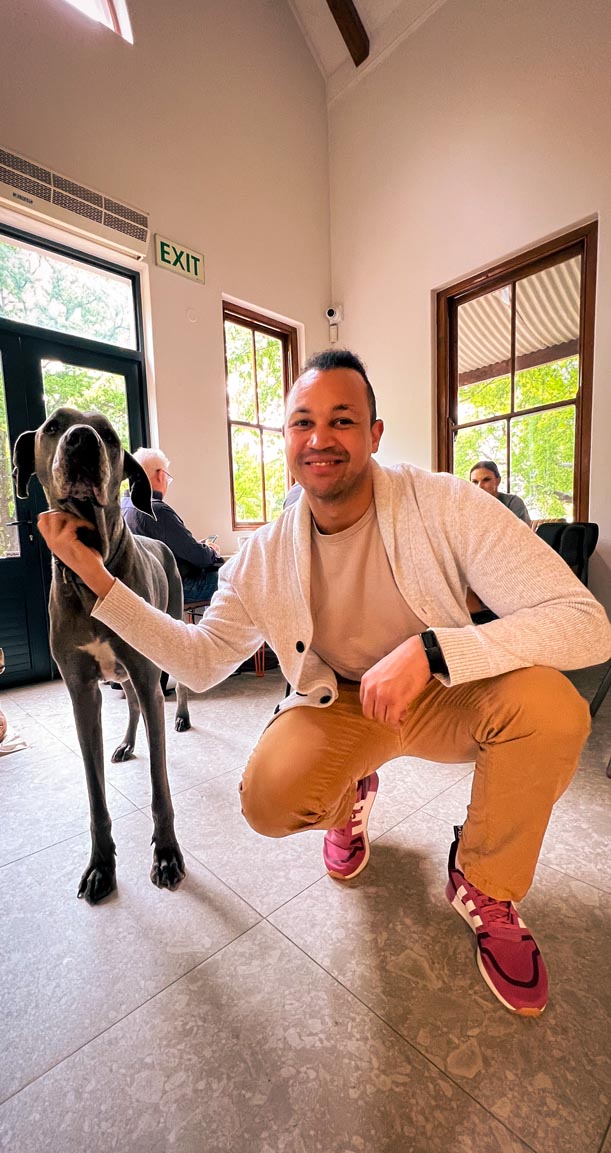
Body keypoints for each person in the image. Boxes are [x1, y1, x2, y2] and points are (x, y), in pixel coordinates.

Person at [38, 349, 611, 1018]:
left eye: (342, 420)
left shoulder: (446, 502)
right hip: (339, 700)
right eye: (302, 422)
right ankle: (352, 794)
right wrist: (99, 581)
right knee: (267, 798)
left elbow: (585, 625)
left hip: (446, 692)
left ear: (373, 434)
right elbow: (196, 662)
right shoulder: (264, 556)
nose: (320, 438)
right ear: (286, 442)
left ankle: (483, 881)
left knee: (551, 709)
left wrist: (432, 650)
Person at [122, 447, 222, 604]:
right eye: (168, 478)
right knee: (233, 576)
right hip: (173, 586)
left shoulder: (123, 507)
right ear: (161, 475)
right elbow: (200, 557)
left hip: (141, 586)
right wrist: (211, 551)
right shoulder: (158, 511)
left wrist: (198, 547)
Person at [469, 460, 531, 525]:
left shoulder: (512, 503)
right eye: (475, 482)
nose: (480, 486)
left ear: (498, 481)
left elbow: (521, 533)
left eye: (486, 480)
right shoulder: (465, 506)